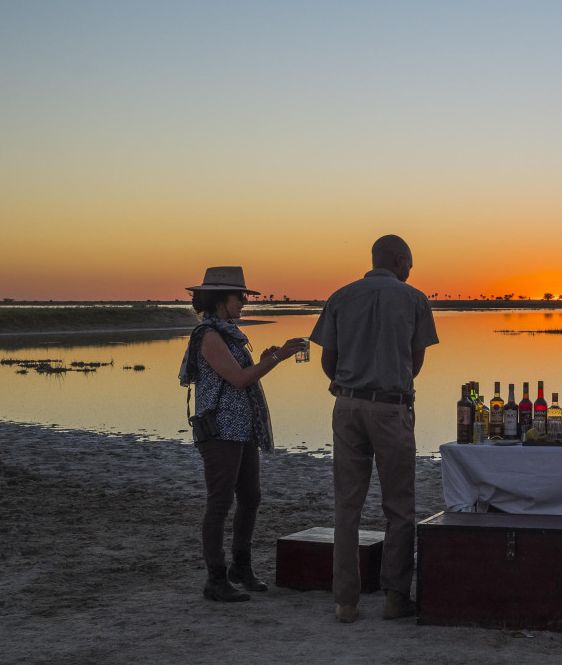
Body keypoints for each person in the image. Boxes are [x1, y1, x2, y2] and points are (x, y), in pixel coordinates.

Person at [310, 235, 439, 624]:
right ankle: (395, 597)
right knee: (400, 507)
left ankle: (345, 602)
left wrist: (352, 386)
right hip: (391, 407)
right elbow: (414, 365)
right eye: (410, 265)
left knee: (347, 506)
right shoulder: (414, 299)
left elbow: (327, 362)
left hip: (347, 406)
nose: (410, 272)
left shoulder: (340, 296)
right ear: (400, 260)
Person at [180, 265, 305, 603]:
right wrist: (277, 357)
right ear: (221, 298)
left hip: (242, 429)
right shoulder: (209, 335)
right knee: (219, 503)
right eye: (241, 296)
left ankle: (240, 568)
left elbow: (241, 375)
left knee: (250, 497)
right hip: (221, 430)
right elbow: (238, 379)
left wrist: (263, 360)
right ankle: (216, 579)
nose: (245, 302)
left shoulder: (228, 332)